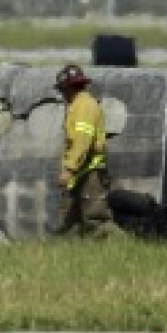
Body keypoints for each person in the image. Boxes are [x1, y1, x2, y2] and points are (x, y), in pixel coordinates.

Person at [54, 64, 117, 237]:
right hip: (81, 173)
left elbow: (82, 141)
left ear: (67, 88)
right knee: (69, 221)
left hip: (90, 174)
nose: (62, 95)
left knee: (95, 221)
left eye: (62, 90)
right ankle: (68, 257)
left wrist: (69, 168)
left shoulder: (84, 106)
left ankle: (122, 249)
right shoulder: (78, 105)